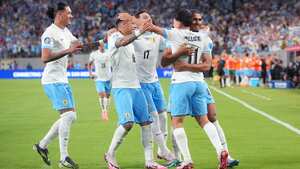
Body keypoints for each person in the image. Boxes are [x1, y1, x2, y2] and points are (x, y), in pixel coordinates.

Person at [148, 9, 229, 169]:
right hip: (198, 84)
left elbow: (154, 29)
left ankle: (187, 161)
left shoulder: (176, 34)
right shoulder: (203, 37)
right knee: (204, 120)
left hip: (181, 82)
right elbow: (206, 64)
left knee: (177, 122)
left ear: (178, 21)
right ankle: (221, 150)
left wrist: (143, 24)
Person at [104, 13, 167, 169]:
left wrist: (141, 32)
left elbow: (134, 39)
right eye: (131, 23)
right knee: (127, 123)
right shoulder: (115, 37)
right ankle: (110, 154)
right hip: (122, 87)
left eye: (134, 22)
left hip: (137, 87)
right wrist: (138, 31)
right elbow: (121, 42)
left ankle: (150, 161)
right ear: (122, 24)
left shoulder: (132, 38)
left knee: (146, 123)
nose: (133, 25)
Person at [33, 2, 82, 169]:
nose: (71, 15)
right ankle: (64, 158)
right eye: (69, 13)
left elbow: (76, 44)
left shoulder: (65, 31)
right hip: (52, 79)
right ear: (60, 14)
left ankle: (42, 145)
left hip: (62, 79)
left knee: (70, 117)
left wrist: (100, 41)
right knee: (68, 116)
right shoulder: (49, 33)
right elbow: (45, 58)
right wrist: (68, 51)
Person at [133, 10, 178, 167]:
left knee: (163, 116)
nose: (149, 18)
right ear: (136, 21)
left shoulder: (157, 36)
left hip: (155, 81)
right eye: (144, 17)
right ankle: (164, 150)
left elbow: (170, 41)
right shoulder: (133, 37)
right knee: (153, 119)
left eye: (150, 17)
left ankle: (160, 150)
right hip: (141, 83)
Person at [88, 42, 111, 121]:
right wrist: (90, 73)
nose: (103, 46)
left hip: (108, 78)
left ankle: (105, 110)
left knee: (107, 96)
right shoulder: (94, 54)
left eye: (103, 45)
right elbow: (89, 64)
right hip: (99, 78)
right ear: (98, 46)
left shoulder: (109, 52)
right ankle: (103, 111)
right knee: (102, 95)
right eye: (101, 45)